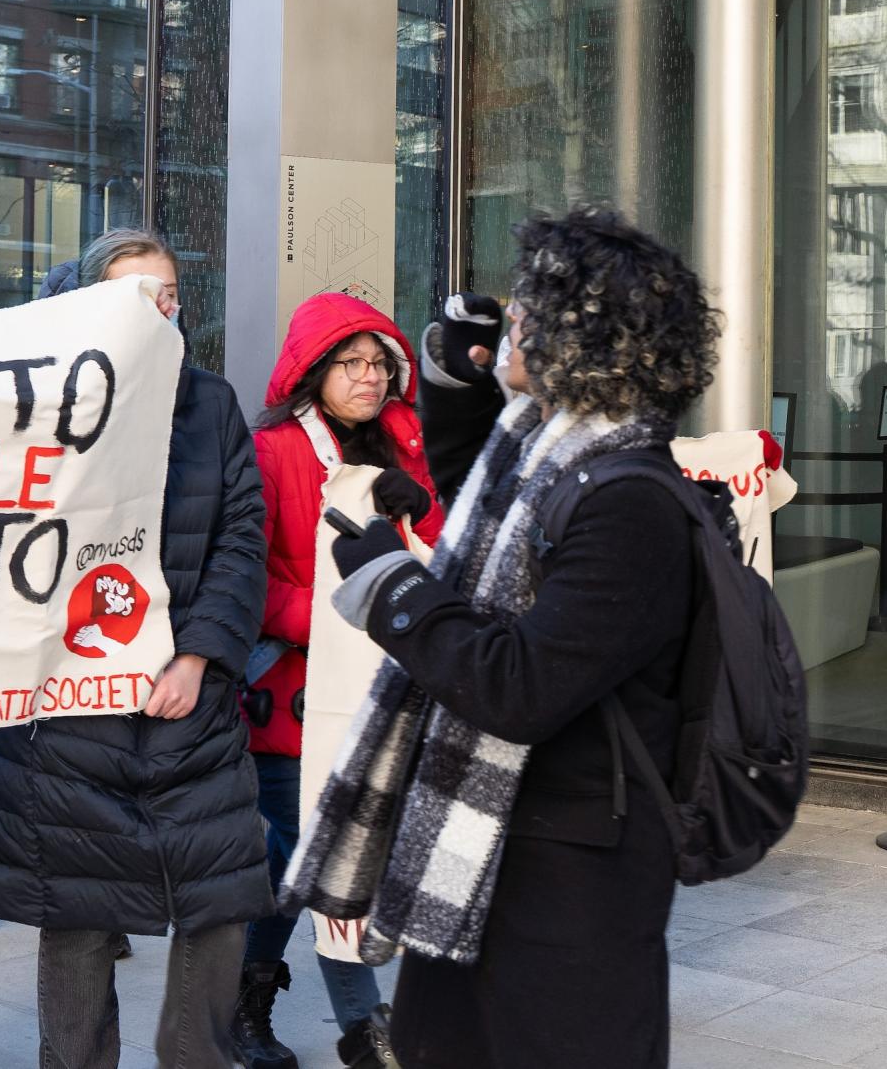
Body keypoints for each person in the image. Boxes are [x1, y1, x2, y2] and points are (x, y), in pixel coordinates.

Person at [301, 207, 718, 1069]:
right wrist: (459, 376)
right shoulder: (547, 457)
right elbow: (475, 483)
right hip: (492, 850)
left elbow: (517, 687)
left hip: (571, 881)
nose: (510, 321)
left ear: (580, 338)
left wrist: (389, 583)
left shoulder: (629, 500)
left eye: (527, 308)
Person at [0, 228, 273, 1069]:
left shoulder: (211, 403)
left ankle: (194, 1055)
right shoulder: (31, 404)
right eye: (137, 296)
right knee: (80, 914)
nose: (159, 312)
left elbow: (241, 538)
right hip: (71, 713)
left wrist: (200, 656)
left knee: (222, 899)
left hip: (189, 703)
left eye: (169, 296)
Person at [236, 293, 443, 1069]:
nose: (369, 377)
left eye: (381, 364)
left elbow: (431, 550)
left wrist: (422, 521)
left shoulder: (402, 442)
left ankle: (244, 994)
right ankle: (363, 1024)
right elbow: (244, 579)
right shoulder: (269, 450)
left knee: (302, 854)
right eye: (350, 363)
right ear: (312, 370)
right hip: (289, 690)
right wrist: (341, 613)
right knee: (323, 848)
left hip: (382, 684)